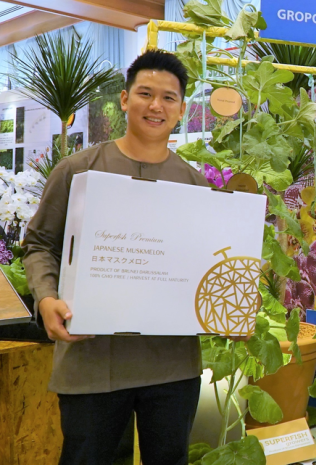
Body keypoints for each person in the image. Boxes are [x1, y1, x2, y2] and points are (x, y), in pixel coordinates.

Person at [23, 50, 208, 464]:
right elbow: (38, 245)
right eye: (145, 93)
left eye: (169, 98)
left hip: (173, 366)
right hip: (90, 362)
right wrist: (46, 298)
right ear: (124, 100)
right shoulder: (77, 170)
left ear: (181, 109)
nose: (156, 106)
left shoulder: (195, 186)